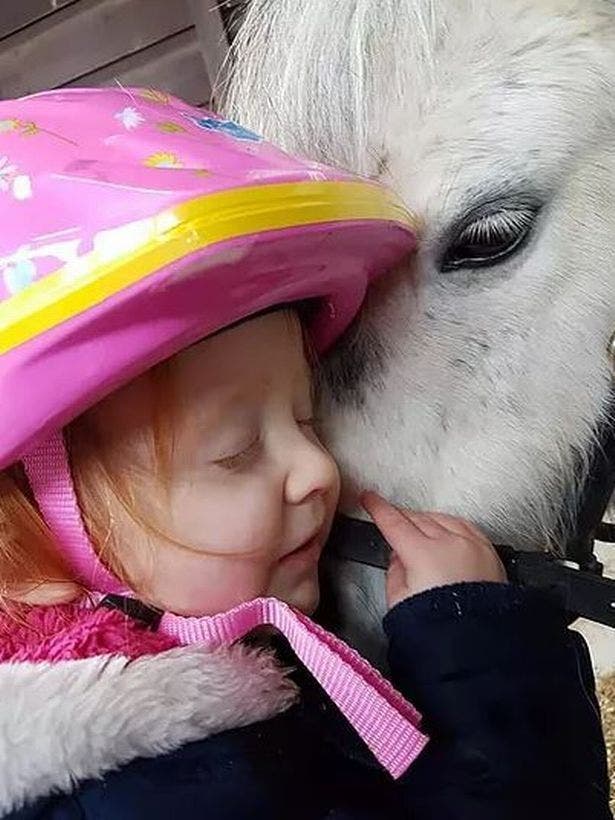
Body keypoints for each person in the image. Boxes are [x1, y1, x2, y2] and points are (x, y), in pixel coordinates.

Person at [0, 88, 609, 820]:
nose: (318, 469)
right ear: (26, 554)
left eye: (304, 419)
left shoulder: (200, 689)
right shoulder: (162, 794)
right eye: (234, 453)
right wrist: (479, 644)